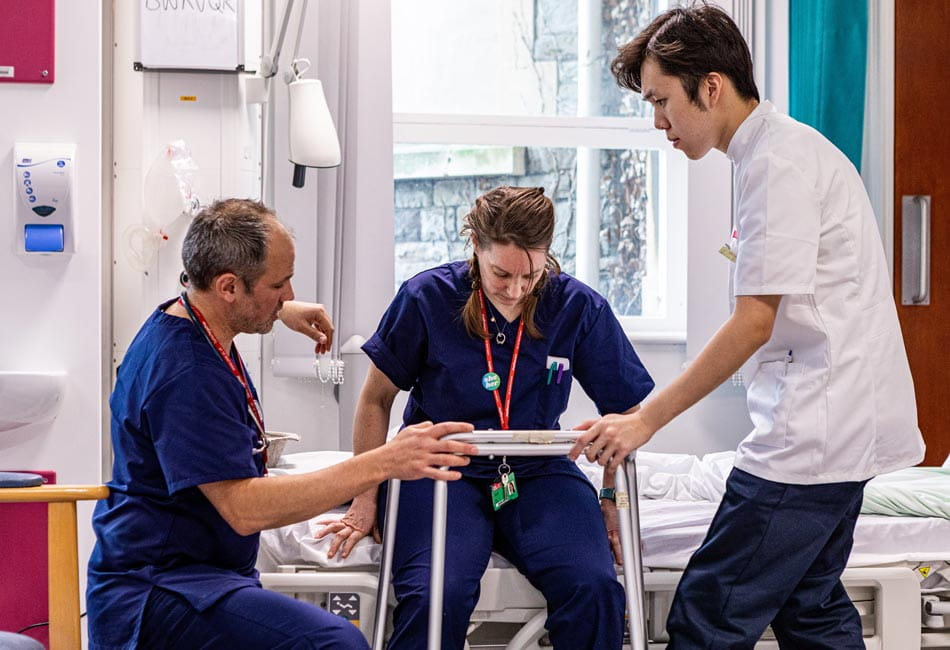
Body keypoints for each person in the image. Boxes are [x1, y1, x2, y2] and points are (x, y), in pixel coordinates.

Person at [569, 4, 926, 649]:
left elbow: (752, 324)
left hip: (817, 434)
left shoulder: (777, 165)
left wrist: (644, 420)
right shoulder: (771, 153)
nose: (658, 123)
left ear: (710, 85)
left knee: (707, 616)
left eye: (661, 101)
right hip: (836, 424)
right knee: (810, 609)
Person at [86, 198, 478, 650]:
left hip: (197, 574)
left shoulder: (191, 317)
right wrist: (383, 462)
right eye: (280, 284)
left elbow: (197, 281)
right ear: (229, 287)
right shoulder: (187, 373)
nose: (290, 294)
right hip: (158, 590)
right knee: (335, 643)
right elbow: (246, 509)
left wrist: (274, 310)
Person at [317, 186, 655, 649]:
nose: (516, 290)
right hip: (439, 468)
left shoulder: (577, 306)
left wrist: (612, 496)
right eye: (501, 274)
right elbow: (375, 399)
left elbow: (626, 414)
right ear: (475, 247)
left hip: (538, 471)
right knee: (437, 594)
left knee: (594, 587)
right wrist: (364, 497)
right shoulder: (426, 298)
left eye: (530, 275)